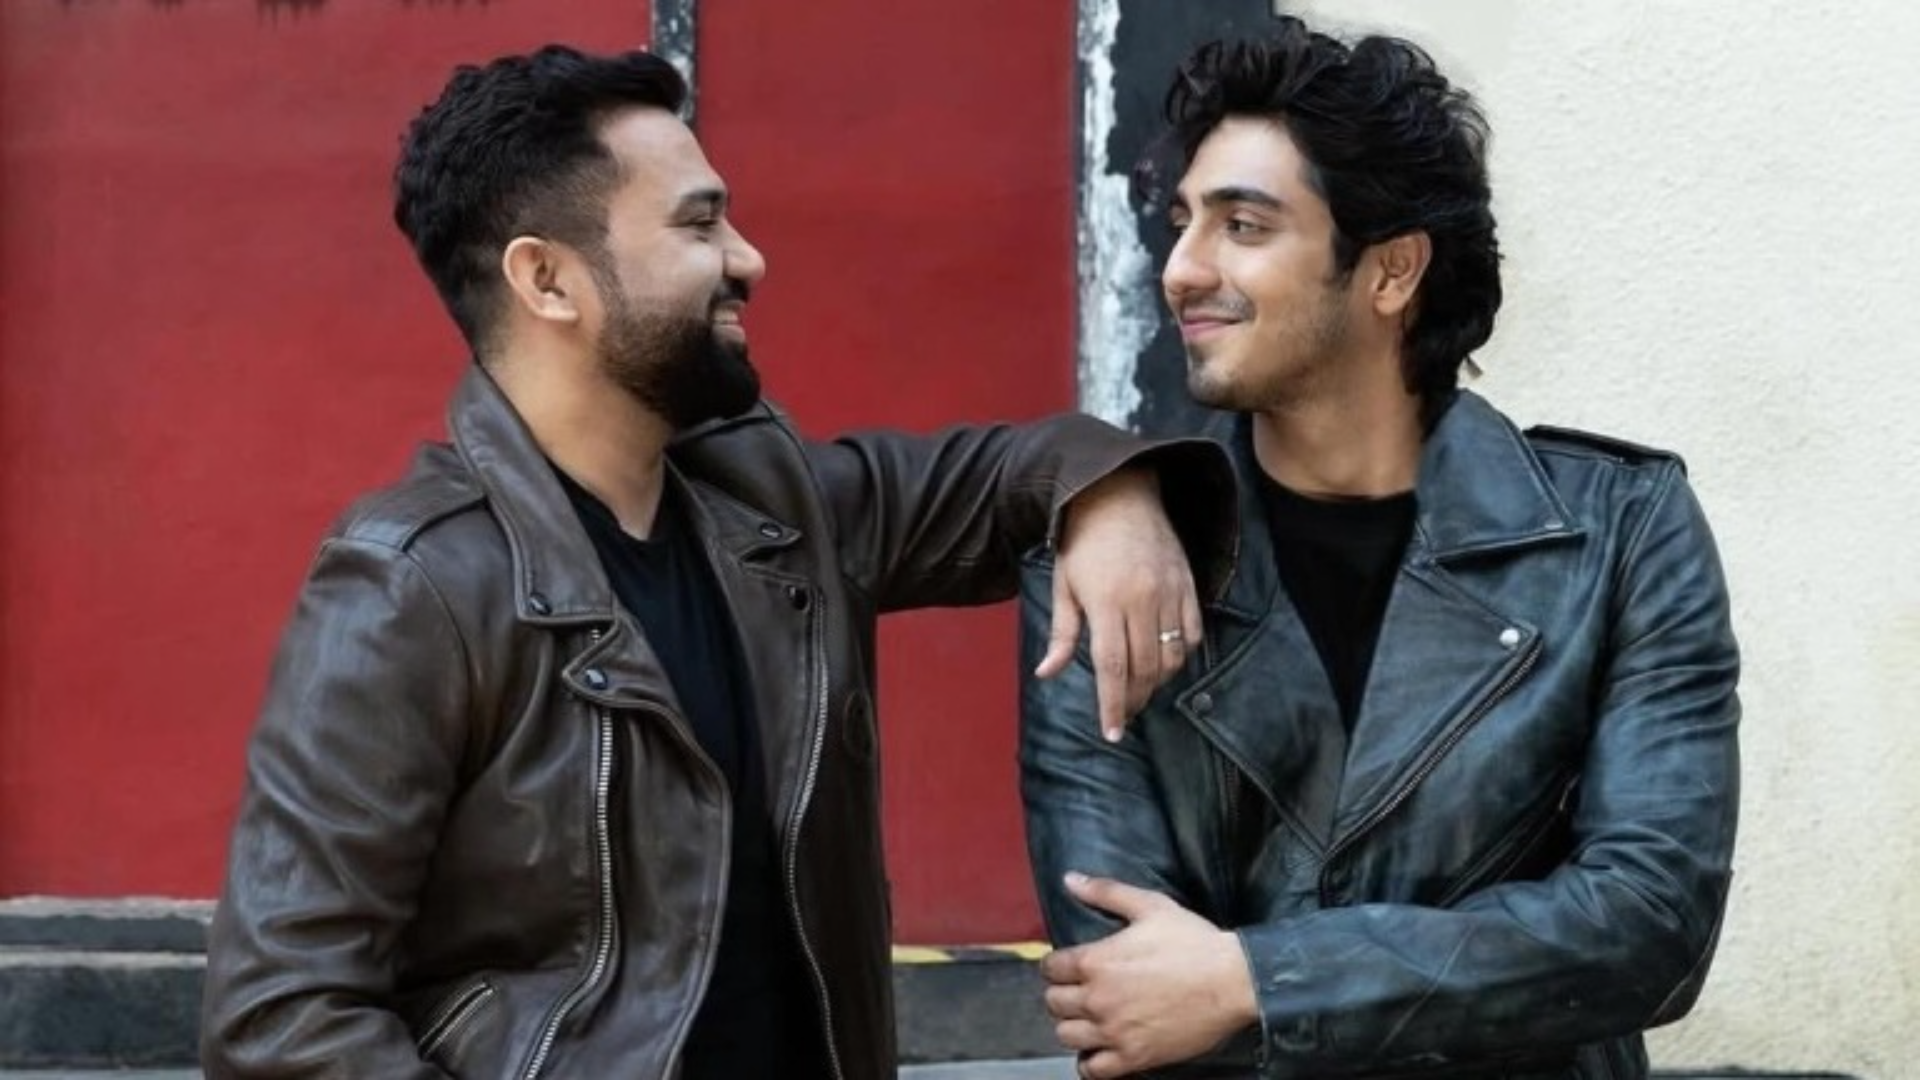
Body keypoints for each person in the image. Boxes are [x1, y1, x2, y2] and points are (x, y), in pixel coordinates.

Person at [199, 45, 1233, 1080]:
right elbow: (282, 1021)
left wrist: (1114, 498)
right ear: (548, 280)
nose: (748, 258)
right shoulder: (413, 584)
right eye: (698, 225)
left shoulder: (771, 502)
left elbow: (1011, 474)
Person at [1020, 19, 1740, 1080]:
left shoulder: (1620, 533)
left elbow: (1648, 925)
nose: (1181, 269)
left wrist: (1255, 981)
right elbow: (1119, 980)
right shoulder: (1107, 561)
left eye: (1243, 225)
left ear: (1392, 272)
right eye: (1182, 222)